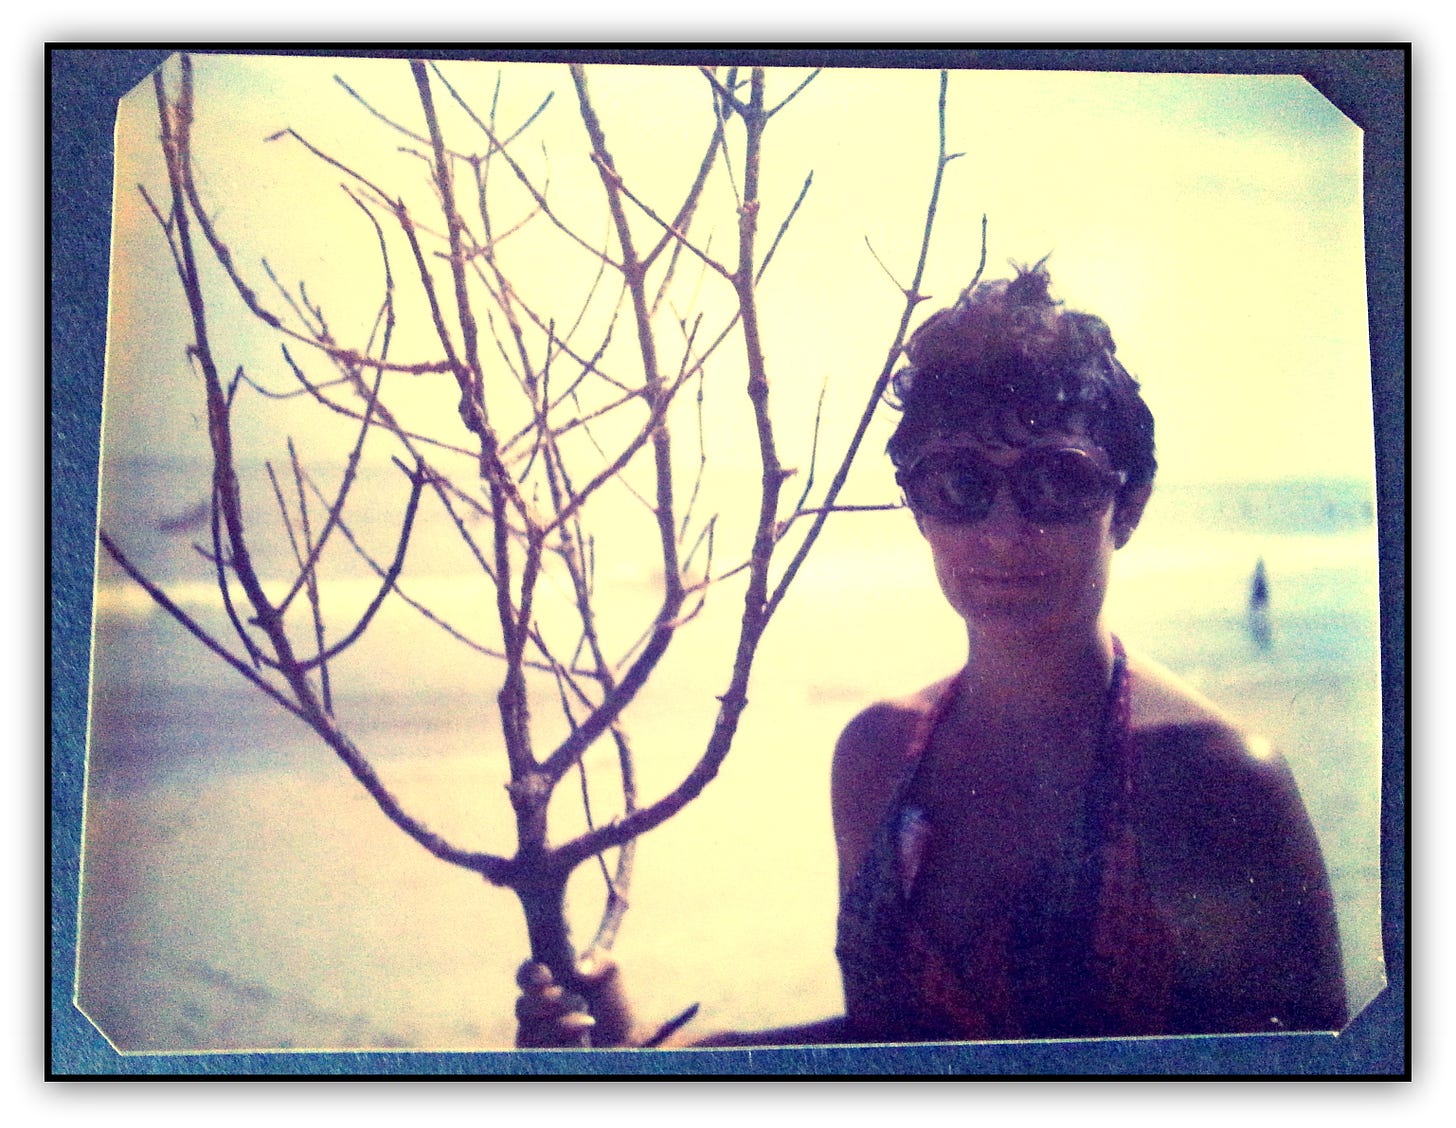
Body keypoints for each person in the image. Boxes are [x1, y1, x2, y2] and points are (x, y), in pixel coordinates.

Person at [516, 261, 1348, 1047]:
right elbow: (898, 1047)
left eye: (1055, 482)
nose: (1003, 532)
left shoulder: (1213, 784)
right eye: (959, 484)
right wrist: (656, 1058)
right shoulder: (879, 760)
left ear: (1126, 505)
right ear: (919, 507)